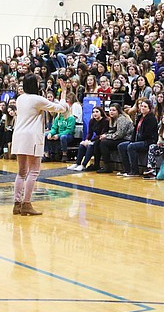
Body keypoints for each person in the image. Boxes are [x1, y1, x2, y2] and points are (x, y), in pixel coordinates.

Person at [10, 73, 71, 215]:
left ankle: (17, 204)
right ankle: (27, 203)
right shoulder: (37, 99)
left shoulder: (20, 99)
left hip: (18, 136)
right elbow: (61, 108)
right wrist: (63, 94)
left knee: (21, 172)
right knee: (34, 171)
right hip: (31, 137)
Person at [118, 99, 158, 177]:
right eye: (141, 106)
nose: (142, 108)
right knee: (121, 146)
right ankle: (127, 169)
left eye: (145, 107)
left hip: (148, 141)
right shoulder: (139, 117)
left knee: (131, 146)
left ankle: (134, 171)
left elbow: (148, 134)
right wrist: (132, 140)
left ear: (149, 108)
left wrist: (135, 142)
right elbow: (135, 131)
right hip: (137, 140)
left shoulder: (151, 119)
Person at [95, 104, 133, 173]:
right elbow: (111, 132)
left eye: (114, 110)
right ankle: (96, 165)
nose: (111, 112)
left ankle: (107, 166)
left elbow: (119, 135)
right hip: (118, 138)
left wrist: (106, 136)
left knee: (104, 143)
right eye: (110, 110)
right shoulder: (112, 119)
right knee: (98, 141)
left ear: (118, 111)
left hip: (126, 139)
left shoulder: (122, 119)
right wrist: (105, 135)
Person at [69, 105, 108, 171]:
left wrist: (90, 141)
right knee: (82, 145)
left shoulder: (105, 121)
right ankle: (77, 163)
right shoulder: (92, 121)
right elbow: (90, 133)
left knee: (90, 145)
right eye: (93, 112)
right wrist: (86, 140)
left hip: (101, 139)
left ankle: (84, 165)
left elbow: (102, 134)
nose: (95, 114)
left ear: (101, 112)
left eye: (97, 112)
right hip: (95, 138)